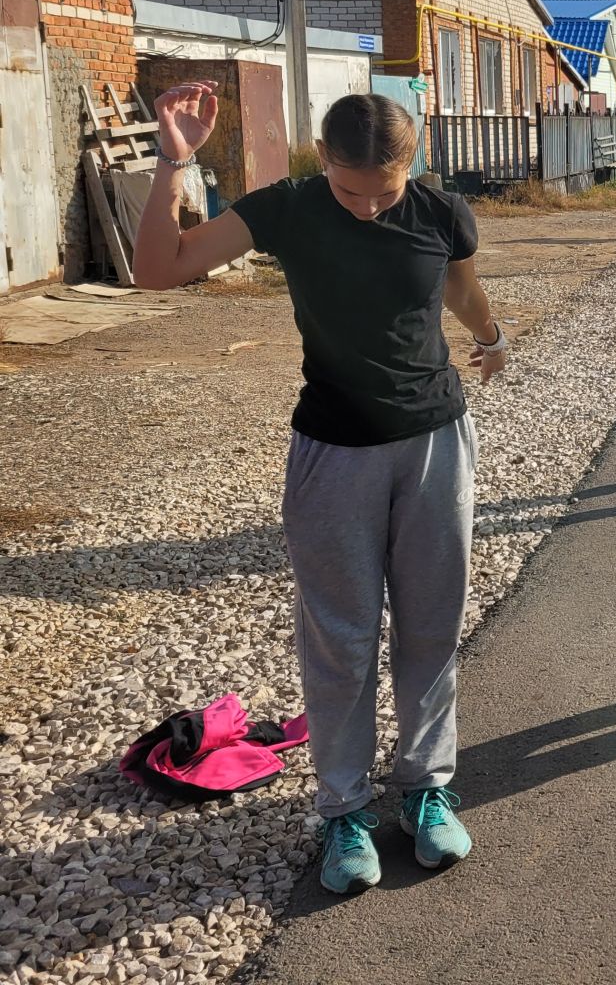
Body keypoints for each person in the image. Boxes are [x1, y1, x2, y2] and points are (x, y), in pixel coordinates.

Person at [133, 88, 504, 895]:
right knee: (340, 638)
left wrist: (491, 337)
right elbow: (159, 269)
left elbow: (460, 293)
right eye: (349, 189)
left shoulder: (442, 212)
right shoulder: (290, 208)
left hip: (436, 439)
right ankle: (343, 810)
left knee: (432, 626)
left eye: (386, 190)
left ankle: (426, 790)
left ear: (415, 161)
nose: (369, 209)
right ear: (320, 160)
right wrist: (174, 160)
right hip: (334, 452)